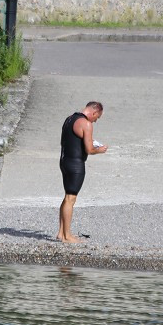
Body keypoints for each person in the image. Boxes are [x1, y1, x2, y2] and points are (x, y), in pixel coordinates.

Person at [57, 101, 108, 243]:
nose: (96, 121)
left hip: (64, 161)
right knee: (70, 199)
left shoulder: (70, 118)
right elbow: (89, 150)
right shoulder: (86, 124)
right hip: (76, 165)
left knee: (67, 197)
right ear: (94, 112)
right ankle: (67, 236)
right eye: (97, 117)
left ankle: (61, 233)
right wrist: (100, 150)